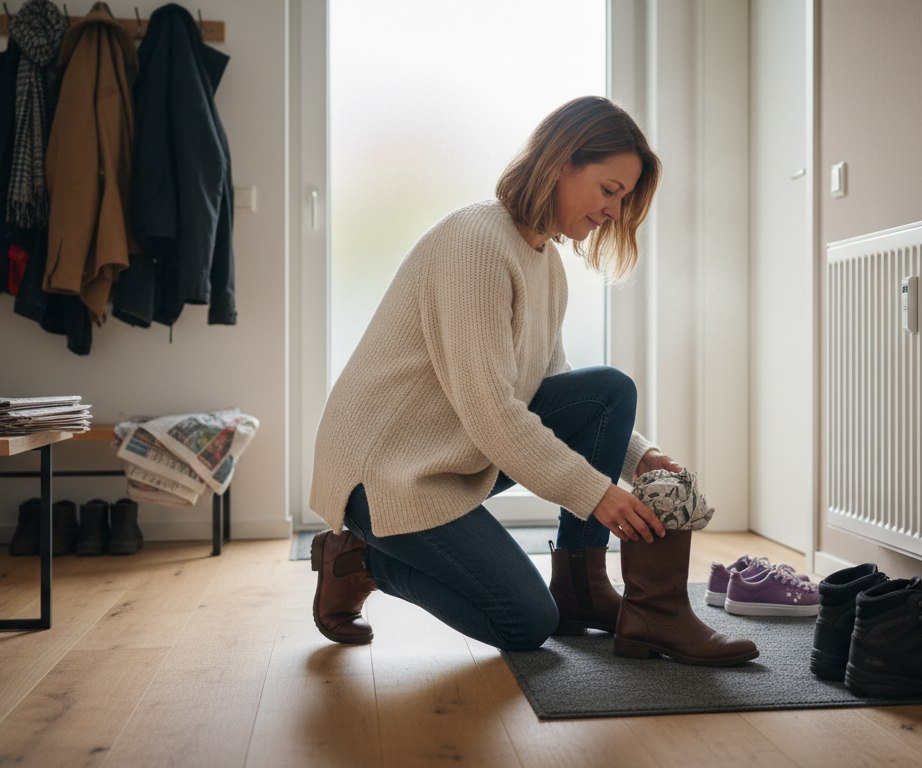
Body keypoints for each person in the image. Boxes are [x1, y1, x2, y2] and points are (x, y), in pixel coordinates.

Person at [307, 96, 756, 666]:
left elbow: (553, 383)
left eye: (623, 198)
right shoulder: (475, 244)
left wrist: (638, 458)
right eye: (609, 189)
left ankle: (581, 587)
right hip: (388, 473)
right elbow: (494, 413)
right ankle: (357, 562)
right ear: (562, 161)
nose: (614, 212)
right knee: (523, 621)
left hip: (447, 455)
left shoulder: (544, 261)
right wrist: (600, 497)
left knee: (609, 391)